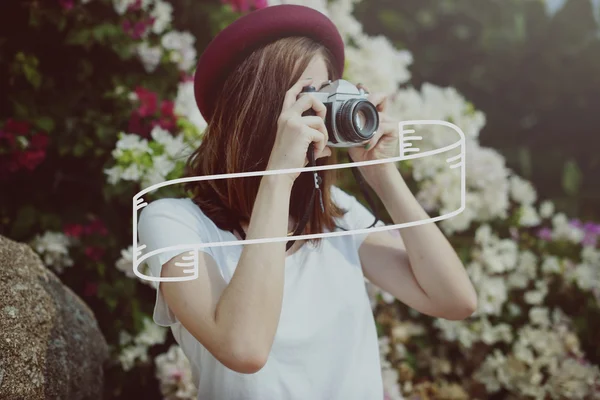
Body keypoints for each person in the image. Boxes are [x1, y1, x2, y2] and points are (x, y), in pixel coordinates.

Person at [137, 5, 477, 400]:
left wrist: (382, 175)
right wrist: (277, 177)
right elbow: (244, 348)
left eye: (330, 92)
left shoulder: (336, 215)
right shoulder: (173, 223)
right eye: (307, 96)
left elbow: (455, 300)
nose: (322, 110)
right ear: (254, 107)